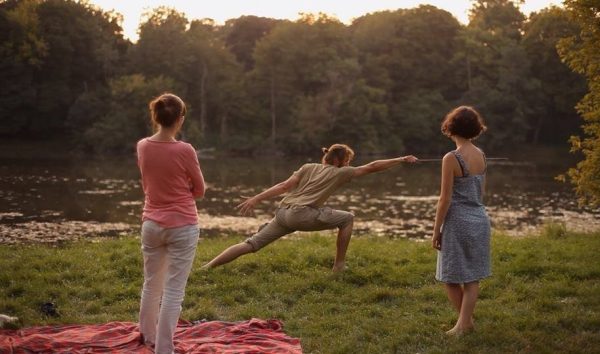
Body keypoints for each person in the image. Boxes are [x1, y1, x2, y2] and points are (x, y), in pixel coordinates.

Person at [201, 144, 418, 272]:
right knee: (348, 218)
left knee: (251, 243)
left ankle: (207, 268)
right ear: (341, 160)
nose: (349, 163)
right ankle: (339, 266)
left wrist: (257, 198)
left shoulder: (307, 167)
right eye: (348, 160)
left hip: (283, 213)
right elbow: (372, 167)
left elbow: (284, 186)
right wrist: (401, 159)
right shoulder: (341, 172)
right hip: (301, 214)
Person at [136, 93, 205, 353]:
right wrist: (183, 187)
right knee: (174, 290)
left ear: (155, 117)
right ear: (180, 119)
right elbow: (199, 190)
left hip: (151, 224)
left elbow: (150, 181)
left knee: (151, 283)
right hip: (182, 226)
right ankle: (164, 349)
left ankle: (146, 336)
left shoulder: (142, 145)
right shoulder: (185, 149)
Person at [432, 106, 491, 336]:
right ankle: (466, 323)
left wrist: (436, 230)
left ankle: (464, 324)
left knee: (450, 276)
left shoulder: (451, 158)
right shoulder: (482, 155)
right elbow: (481, 193)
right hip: (479, 219)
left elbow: (444, 199)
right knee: (472, 276)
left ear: (451, 127)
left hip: (457, 223)